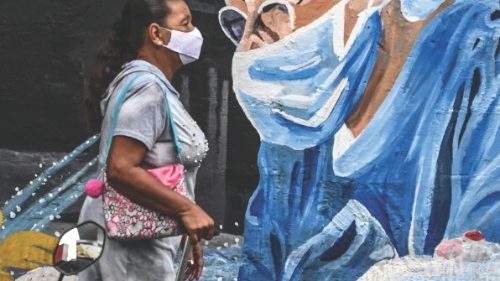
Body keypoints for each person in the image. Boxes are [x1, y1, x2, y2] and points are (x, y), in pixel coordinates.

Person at [221, 0, 499, 280]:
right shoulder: (296, 125)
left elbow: (481, 259)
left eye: (276, 10)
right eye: (236, 22)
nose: (250, 46)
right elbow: (262, 260)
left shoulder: (483, 55)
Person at [79, 0, 214, 280]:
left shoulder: (142, 83)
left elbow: (159, 169)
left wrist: (184, 228)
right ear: (156, 34)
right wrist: (187, 209)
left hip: (132, 237)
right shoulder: (148, 89)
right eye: (185, 23)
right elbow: (121, 167)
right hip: (130, 247)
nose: (195, 32)